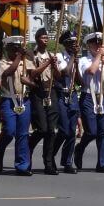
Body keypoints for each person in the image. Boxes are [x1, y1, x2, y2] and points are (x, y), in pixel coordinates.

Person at [0, 35, 35, 176]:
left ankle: (22, 165)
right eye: (14, 48)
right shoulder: (2, 63)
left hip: (24, 99)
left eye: (18, 48)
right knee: (9, 131)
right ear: (7, 48)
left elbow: (33, 79)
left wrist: (28, 80)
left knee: (23, 134)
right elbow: (7, 73)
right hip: (8, 100)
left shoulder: (26, 62)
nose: (17, 50)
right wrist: (19, 58)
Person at [74, 32, 104, 173]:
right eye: (94, 43)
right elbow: (91, 71)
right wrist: (98, 57)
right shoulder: (84, 60)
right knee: (91, 131)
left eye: (99, 44)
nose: (97, 46)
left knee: (102, 133)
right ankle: (79, 148)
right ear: (89, 45)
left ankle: (102, 164)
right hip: (88, 97)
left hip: (101, 96)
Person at [28, 28, 60, 175]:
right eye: (43, 37)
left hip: (50, 91)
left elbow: (58, 76)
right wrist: (47, 63)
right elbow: (33, 73)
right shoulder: (32, 55)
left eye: (47, 37)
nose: (46, 40)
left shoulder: (52, 55)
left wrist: (54, 65)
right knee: (42, 128)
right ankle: (28, 148)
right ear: (37, 39)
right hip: (38, 92)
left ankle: (48, 163)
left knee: (51, 131)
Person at [53, 30, 82, 173]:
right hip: (61, 94)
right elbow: (64, 72)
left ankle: (67, 161)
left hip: (73, 95)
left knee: (72, 131)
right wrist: (73, 59)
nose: (74, 45)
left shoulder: (76, 58)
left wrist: (77, 65)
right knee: (64, 130)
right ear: (65, 44)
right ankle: (51, 154)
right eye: (71, 42)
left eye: (75, 42)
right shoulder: (59, 56)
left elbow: (80, 81)